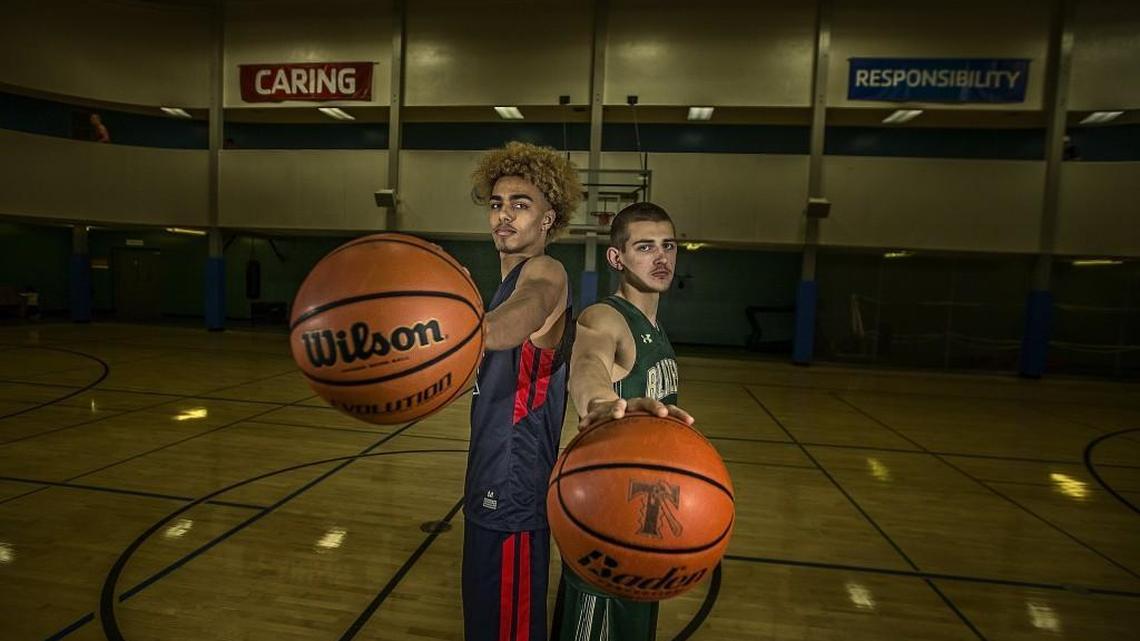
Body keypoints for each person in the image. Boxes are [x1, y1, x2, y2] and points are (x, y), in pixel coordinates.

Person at [553, 201, 693, 641]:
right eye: (645, 247)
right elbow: (588, 361)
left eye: (668, 246)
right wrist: (598, 402)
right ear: (617, 258)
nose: (661, 258)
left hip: (647, 516)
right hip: (605, 517)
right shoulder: (606, 317)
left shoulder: (656, 327)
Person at [462, 141, 582, 641]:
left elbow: (519, 321)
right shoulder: (497, 287)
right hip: (487, 478)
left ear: (548, 219)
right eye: (496, 204)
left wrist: (454, 328)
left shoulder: (545, 273)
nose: (504, 216)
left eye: (520, 204)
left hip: (515, 485)